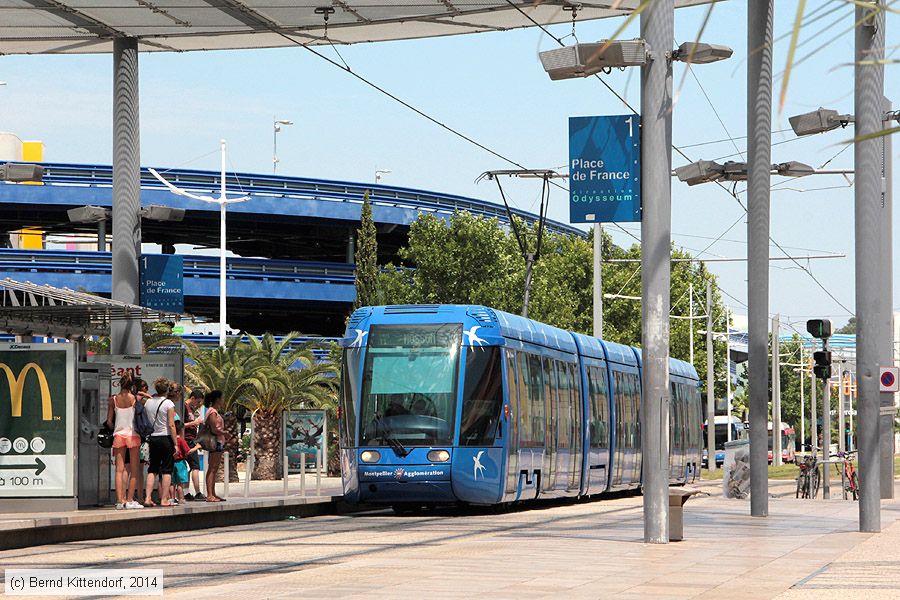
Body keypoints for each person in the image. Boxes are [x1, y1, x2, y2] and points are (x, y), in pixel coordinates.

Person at [105, 373, 144, 510]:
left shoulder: (113, 400)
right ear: (132, 385)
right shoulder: (135, 399)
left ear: (119, 384)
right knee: (134, 469)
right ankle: (129, 500)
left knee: (119, 470)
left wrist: (115, 425)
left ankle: (119, 501)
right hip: (132, 435)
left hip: (119, 436)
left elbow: (109, 422)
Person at [143, 377, 177, 507]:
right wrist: (175, 443)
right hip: (165, 437)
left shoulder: (148, 403)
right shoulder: (169, 404)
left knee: (153, 468)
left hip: (153, 437)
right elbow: (171, 424)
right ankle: (164, 499)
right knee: (167, 469)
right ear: (167, 389)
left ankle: (147, 498)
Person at [203, 390, 228, 503]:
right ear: (217, 399)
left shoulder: (214, 411)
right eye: (222, 398)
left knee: (215, 468)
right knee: (212, 468)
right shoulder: (212, 412)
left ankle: (213, 493)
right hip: (215, 442)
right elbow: (214, 429)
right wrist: (224, 433)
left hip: (219, 442)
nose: (223, 400)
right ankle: (209, 494)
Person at [182, 388, 205, 501]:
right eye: (198, 401)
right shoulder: (184, 407)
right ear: (192, 398)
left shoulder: (190, 409)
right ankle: (197, 492)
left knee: (189, 467)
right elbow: (180, 424)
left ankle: (187, 492)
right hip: (187, 439)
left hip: (191, 438)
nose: (198, 404)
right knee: (195, 466)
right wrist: (193, 423)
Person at [172, 420, 199, 503]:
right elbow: (188, 451)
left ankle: (172, 498)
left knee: (172, 483)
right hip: (180, 463)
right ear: (181, 430)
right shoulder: (181, 440)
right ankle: (181, 498)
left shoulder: (171, 440)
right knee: (180, 483)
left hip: (172, 462)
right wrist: (196, 447)